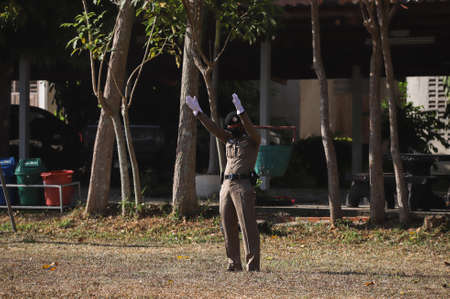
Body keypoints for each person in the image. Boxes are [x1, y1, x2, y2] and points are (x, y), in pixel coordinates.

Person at [186, 93, 261, 272]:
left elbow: (250, 129)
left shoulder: (252, 140)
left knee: (247, 225)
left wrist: (242, 112)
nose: (233, 128)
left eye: (236, 125)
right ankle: (233, 263)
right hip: (226, 186)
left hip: (243, 185)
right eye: (230, 126)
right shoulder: (228, 140)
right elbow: (214, 129)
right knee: (227, 225)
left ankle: (253, 265)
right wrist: (199, 113)